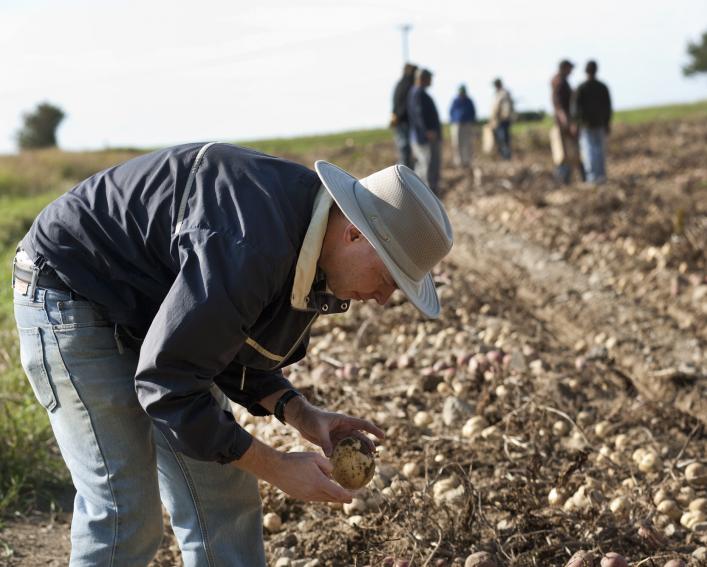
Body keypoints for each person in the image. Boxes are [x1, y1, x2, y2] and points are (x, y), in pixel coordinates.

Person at [11, 143, 454, 566]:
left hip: (144, 308)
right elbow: (169, 387)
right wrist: (277, 466)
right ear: (356, 233)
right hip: (71, 290)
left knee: (222, 492)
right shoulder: (251, 244)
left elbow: (223, 342)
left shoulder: (309, 244)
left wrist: (300, 413)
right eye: (389, 278)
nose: (382, 299)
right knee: (125, 510)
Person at [573, 60, 613, 184]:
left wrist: (576, 123)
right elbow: (608, 107)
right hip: (598, 124)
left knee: (590, 151)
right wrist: (607, 123)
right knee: (598, 151)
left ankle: (593, 177)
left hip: (588, 125)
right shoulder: (601, 87)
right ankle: (600, 176)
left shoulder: (582, 88)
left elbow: (575, 109)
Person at [407, 68, 442, 194]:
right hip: (423, 138)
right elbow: (419, 114)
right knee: (426, 166)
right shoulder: (418, 93)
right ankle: (425, 194)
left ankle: (423, 193)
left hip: (420, 137)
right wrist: (427, 131)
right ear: (423, 79)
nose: (431, 81)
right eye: (429, 79)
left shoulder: (416, 92)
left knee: (423, 166)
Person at [550, 59, 583, 184]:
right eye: (570, 68)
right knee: (566, 152)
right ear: (564, 68)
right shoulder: (560, 83)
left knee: (567, 152)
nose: (571, 71)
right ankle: (563, 180)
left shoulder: (559, 81)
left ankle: (564, 180)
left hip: (563, 122)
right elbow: (559, 107)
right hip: (564, 123)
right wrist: (568, 123)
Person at [390, 62, 418, 169]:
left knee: (404, 150)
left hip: (399, 121)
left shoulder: (399, 84)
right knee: (405, 150)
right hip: (404, 122)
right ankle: (404, 176)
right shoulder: (408, 85)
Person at [449, 84, 477, 168]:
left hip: (467, 124)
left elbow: (473, 112)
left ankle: (467, 161)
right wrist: (454, 120)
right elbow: (451, 112)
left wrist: (471, 120)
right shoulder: (455, 101)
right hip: (457, 124)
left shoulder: (469, 101)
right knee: (457, 143)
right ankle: (458, 162)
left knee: (467, 143)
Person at [489, 78, 514, 160]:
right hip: (498, 121)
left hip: (503, 120)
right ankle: (504, 156)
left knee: (503, 139)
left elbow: (506, 107)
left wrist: (505, 117)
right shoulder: (497, 94)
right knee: (500, 139)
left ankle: (506, 157)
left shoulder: (504, 93)